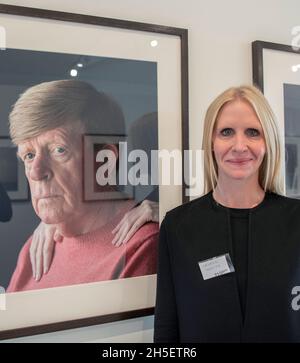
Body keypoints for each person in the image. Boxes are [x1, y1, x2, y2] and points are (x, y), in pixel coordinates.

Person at [154, 85, 300, 343]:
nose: (240, 145)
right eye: (226, 132)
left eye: (253, 132)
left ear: (268, 142)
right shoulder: (178, 226)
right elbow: (167, 325)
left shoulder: (295, 220)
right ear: (211, 142)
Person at [7, 80, 159, 292]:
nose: (36, 172)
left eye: (59, 150)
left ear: (105, 161)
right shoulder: (35, 246)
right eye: (29, 156)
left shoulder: (143, 245)